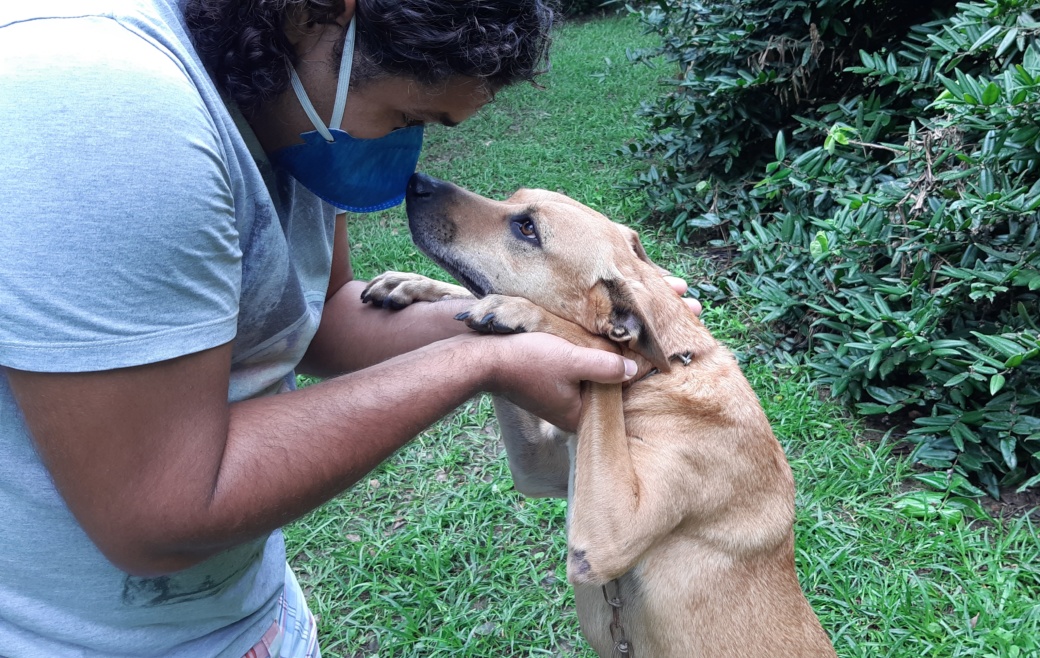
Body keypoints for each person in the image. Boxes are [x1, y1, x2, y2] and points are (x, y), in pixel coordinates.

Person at [0, 0, 696, 655]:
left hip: (246, 614)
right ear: (323, 13)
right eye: (405, 116)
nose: (407, 154)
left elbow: (321, 313)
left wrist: (546, 324)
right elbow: (162, 510)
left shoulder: (276, 89)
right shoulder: (105, 112)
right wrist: (481, 362)